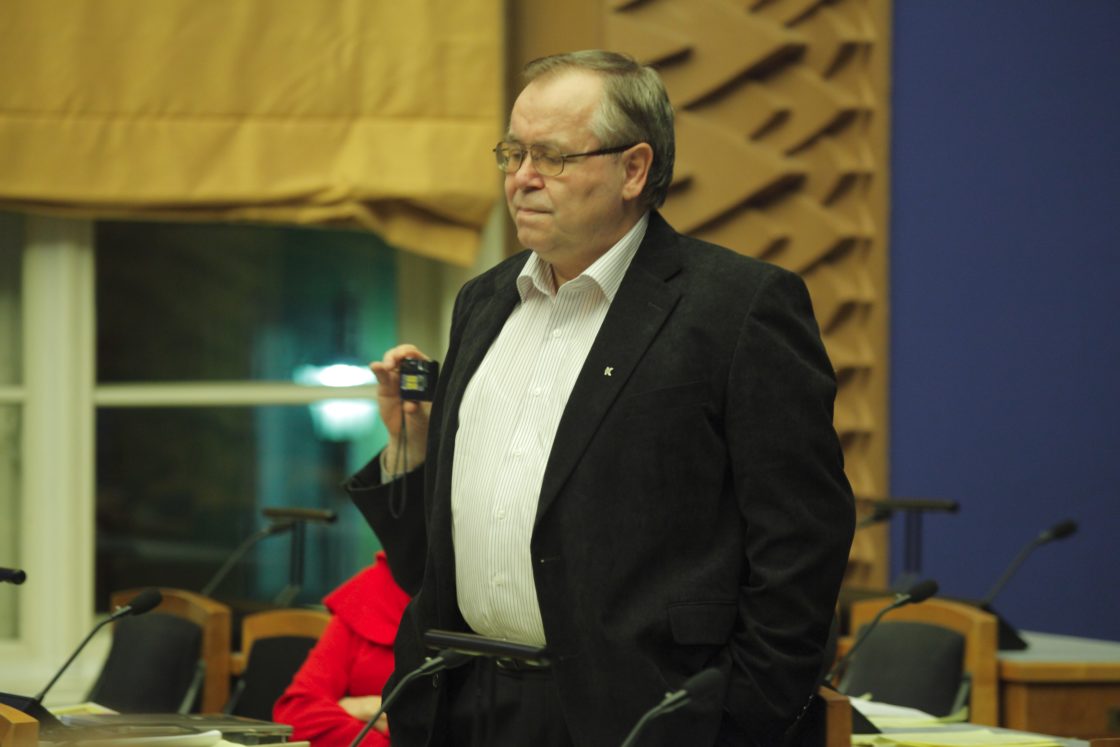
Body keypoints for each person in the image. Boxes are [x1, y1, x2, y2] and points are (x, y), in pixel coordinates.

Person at [346, 50, 855, 747]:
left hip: (642, 716)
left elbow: (802, 542)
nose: (521, 178)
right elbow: (434, 564)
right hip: (466, 707)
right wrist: (411, 452)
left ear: (634, 169)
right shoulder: (483, 301)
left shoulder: (738, 308)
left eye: (551, 157)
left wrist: (737, 719)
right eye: (513, 153)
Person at [272, 551, 410, 747]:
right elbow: (295, 717)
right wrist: (368, 709)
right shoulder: (375, 587)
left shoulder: (456, 603)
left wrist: (349, 709)